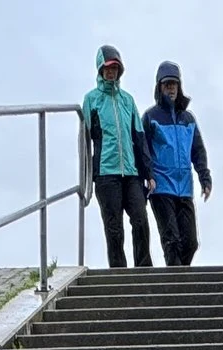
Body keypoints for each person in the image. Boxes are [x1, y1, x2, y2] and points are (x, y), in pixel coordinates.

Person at [81, 46, 153, 268]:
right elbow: (84, 141)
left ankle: (144, 268)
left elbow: (139, 137)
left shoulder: (128, 100)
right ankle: (118, 272)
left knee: (140, 220)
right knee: (114, 227)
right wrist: (87, 178)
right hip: (105, 173)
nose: (112, 72)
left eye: (116, 68)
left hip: (131, 173)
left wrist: (148, 173)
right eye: (108, 68)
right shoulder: (91, 99)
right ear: (101, 70)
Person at [142, 61, 212, 267]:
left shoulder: (188, 119)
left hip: (184, 188)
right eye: (167, 84)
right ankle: (175, 286)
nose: (171, 88)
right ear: (159, 87)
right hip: (161, 186)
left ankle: (179, 278)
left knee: (190, 243)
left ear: (179, 87)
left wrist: (204, 178)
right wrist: (148, 176)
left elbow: (197, 150)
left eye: (174, 84)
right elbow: (143, 150)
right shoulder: (150, 117)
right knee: (171, 240)